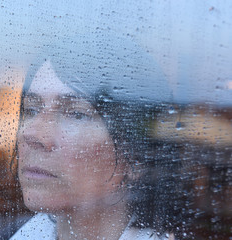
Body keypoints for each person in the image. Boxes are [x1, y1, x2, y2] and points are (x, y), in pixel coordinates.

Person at [10, 32, 185, 240]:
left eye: (76, 114)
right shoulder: (20, 233)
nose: (32, 135)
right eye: (31, 110)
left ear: (136, 158)